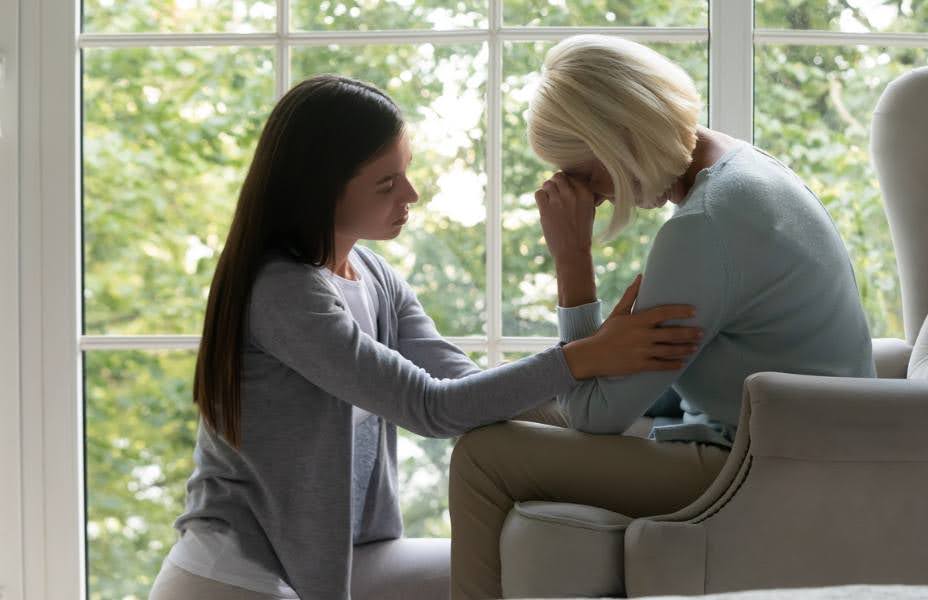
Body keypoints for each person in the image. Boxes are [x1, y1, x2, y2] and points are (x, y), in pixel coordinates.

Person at [148, 74, 703, 600]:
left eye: (405, 171)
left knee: (528, 570)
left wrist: (646, 428)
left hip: (339, 561)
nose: (410, 193)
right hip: (235, 576)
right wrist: (581, 357)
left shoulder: (372, 275)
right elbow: (429, 408)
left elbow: (467, 385)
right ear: (320, 192)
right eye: (386, 184)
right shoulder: (283, 294)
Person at [448, 35, 877, 599]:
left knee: (483, 455)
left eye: (584, 174)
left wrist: (572, 256)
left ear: (618, 139)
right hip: (785, 442)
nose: (593, 199)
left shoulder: (705, 225)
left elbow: (592, 417)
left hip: (764, 465)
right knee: (515, 411)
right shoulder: (744, 169)